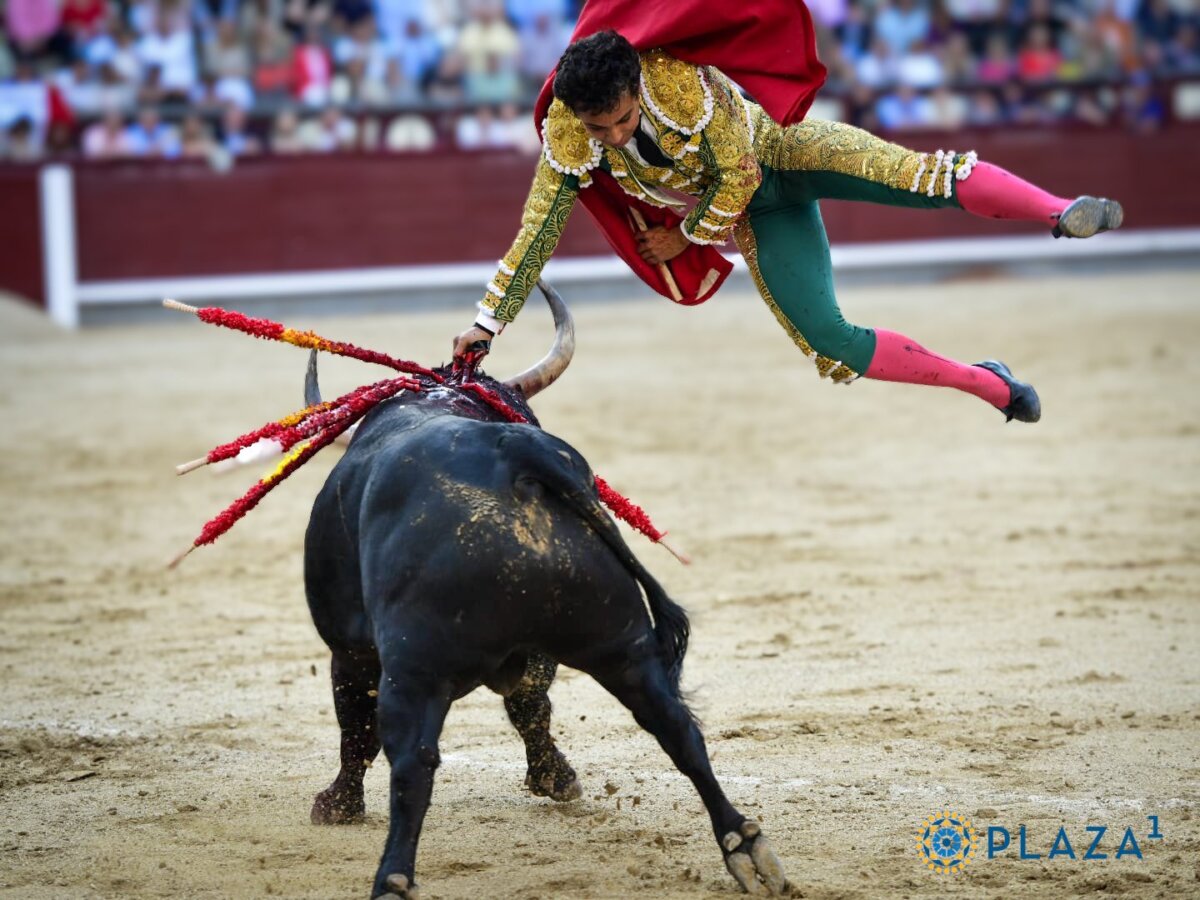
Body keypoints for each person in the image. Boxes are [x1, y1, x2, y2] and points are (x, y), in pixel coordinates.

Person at [452, 28, 1124, 423]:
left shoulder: (675, 84)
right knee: (829, 344)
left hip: (787, 149)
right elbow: (537, 230)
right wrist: (488, 322)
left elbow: (739, 174)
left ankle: (1059, 212)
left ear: (636, 86)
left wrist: (685, 237)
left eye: (623, 119)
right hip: (757, 216)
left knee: (926, 176)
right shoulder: (570, 132)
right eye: (603, 130)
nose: (617, 136)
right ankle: (992, 384)